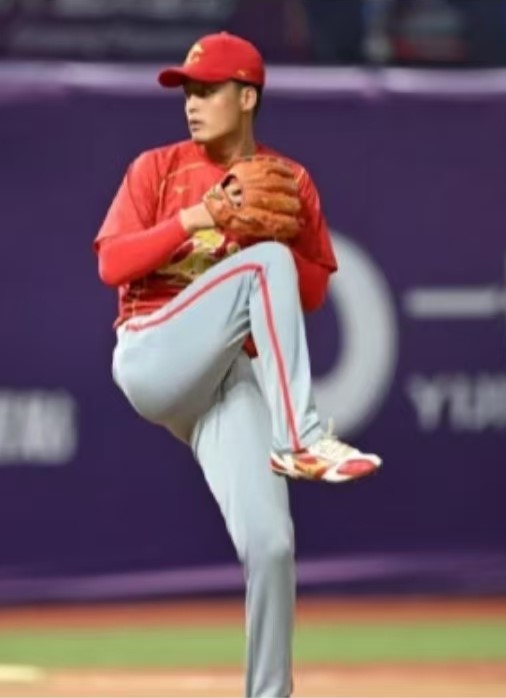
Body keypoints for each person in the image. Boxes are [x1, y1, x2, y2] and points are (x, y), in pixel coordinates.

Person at [92, 31, 384, 698]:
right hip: (152, 350)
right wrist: (200, 216)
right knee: (265, 265)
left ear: (246, 96)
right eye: (186, 91)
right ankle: (301, 437)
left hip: (224, 381)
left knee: (273, 545)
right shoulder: (157, 168)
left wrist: (273, 233)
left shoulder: (288, 181)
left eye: (207, 89)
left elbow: (310, 293)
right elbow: (111, 263)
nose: (191, 103)